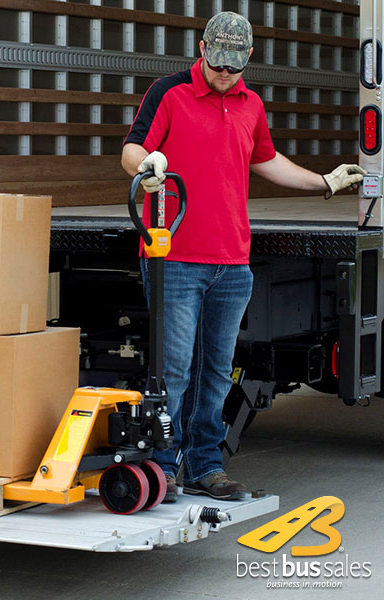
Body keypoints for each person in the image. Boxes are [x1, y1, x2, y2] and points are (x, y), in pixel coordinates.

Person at [121, 11, 365, 503]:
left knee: (216, 370)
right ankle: (164, 468)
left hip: (233, 262)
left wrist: (324, 183)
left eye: (234, 65)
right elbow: (132, 149)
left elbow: (266, 161)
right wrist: (147, 167)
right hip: (176, 257)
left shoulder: (251, 103)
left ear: (247, 58)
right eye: (216, 62)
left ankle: (205, 466)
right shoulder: (169, 92)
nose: (223, 73)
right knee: (173, 370)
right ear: (203, 47)